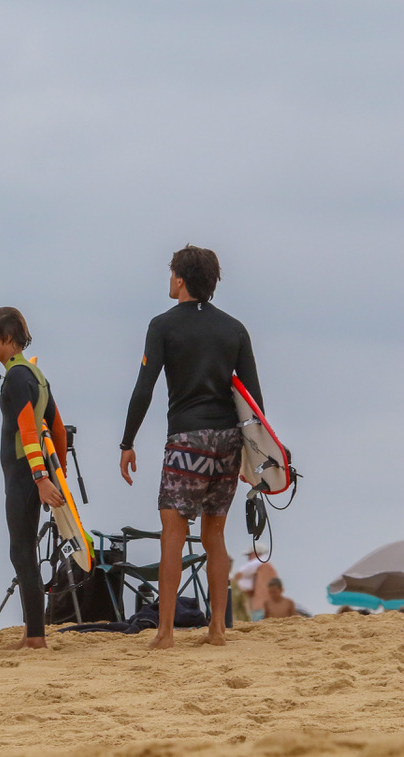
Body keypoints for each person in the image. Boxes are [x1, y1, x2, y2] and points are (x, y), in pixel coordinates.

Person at [119, 245, 264, 649]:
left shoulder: (163, 326)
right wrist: (254, 455)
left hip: (187, 440)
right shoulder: (234, 329)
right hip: (228, 441)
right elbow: (254, 401)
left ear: (180, 279)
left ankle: (165, 632)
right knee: (215, 533)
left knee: (173, 533)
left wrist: (127, 441)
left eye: (171, 275)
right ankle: (217, 628)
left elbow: (143, 389)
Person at [0, 308, 68, 650]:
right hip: (35, 475)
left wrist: (41, 477)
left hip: (24, 475)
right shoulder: (36, 374)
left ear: (5, 338)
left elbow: (29, 429)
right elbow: (58, 428)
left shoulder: (17, 377)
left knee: (22, 552)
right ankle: (33, 633)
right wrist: (57, 473)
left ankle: (35, 637)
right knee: (25, 552)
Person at [234, 545, 277, 621]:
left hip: (259, 606)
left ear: (256, 553)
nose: (248, 558)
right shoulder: (265, 566)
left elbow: (240, 573)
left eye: (249, 555)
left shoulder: (260, 563)